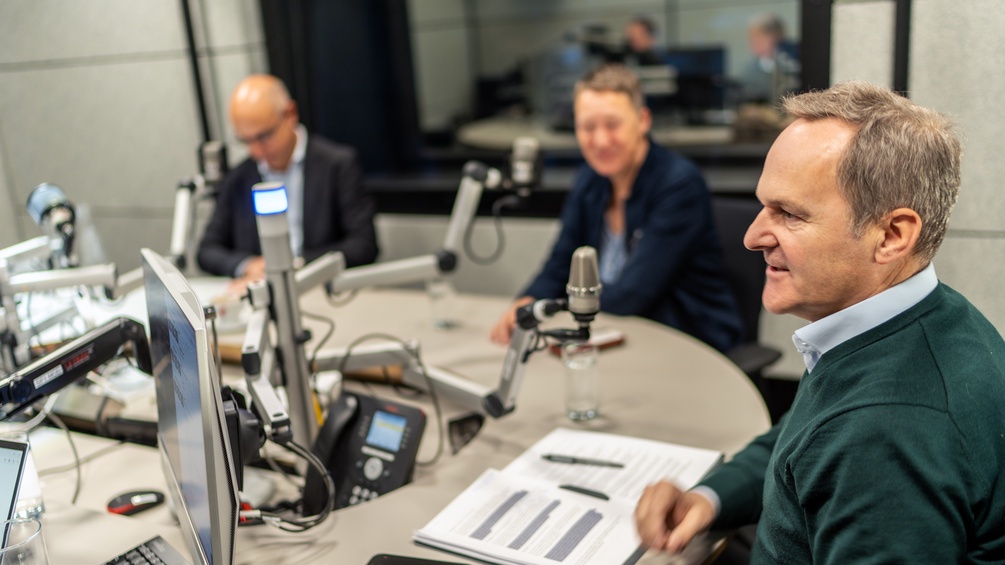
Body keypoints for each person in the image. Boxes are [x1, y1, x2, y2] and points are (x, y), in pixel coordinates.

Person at [634, 82, 1005, 563]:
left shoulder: (886, 432)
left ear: (891, 235)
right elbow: (805, 433)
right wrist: (710, 497)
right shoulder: (919, 319)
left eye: (788, 214)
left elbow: (846, 440)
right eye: (764, 206)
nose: (751, 236)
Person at [490, 63, 742, 354]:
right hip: (617, 330)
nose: (599, 140)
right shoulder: (590, 179)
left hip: (689, 339)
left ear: (643, 120)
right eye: (587, 126)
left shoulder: (678, 184)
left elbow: (633, 294)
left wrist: (553, 312)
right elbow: (562, 263)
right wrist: (528, 303)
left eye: (612, 125)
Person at [198, 74, 378, 291]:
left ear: (290, 114)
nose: (255, 151)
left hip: (323, 291)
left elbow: (363, 245)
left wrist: (293, 266)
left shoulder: (337, 165)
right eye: (245, 140)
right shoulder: (239, 177)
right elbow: (207, 250)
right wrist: (248, 265)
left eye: (264, 136)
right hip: (263, 296)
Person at [739, 14, 799, 104]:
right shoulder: (751, 69)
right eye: (752, 37)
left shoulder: (793, 62)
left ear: (776, 36)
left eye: (759, 36)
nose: (754, 42)